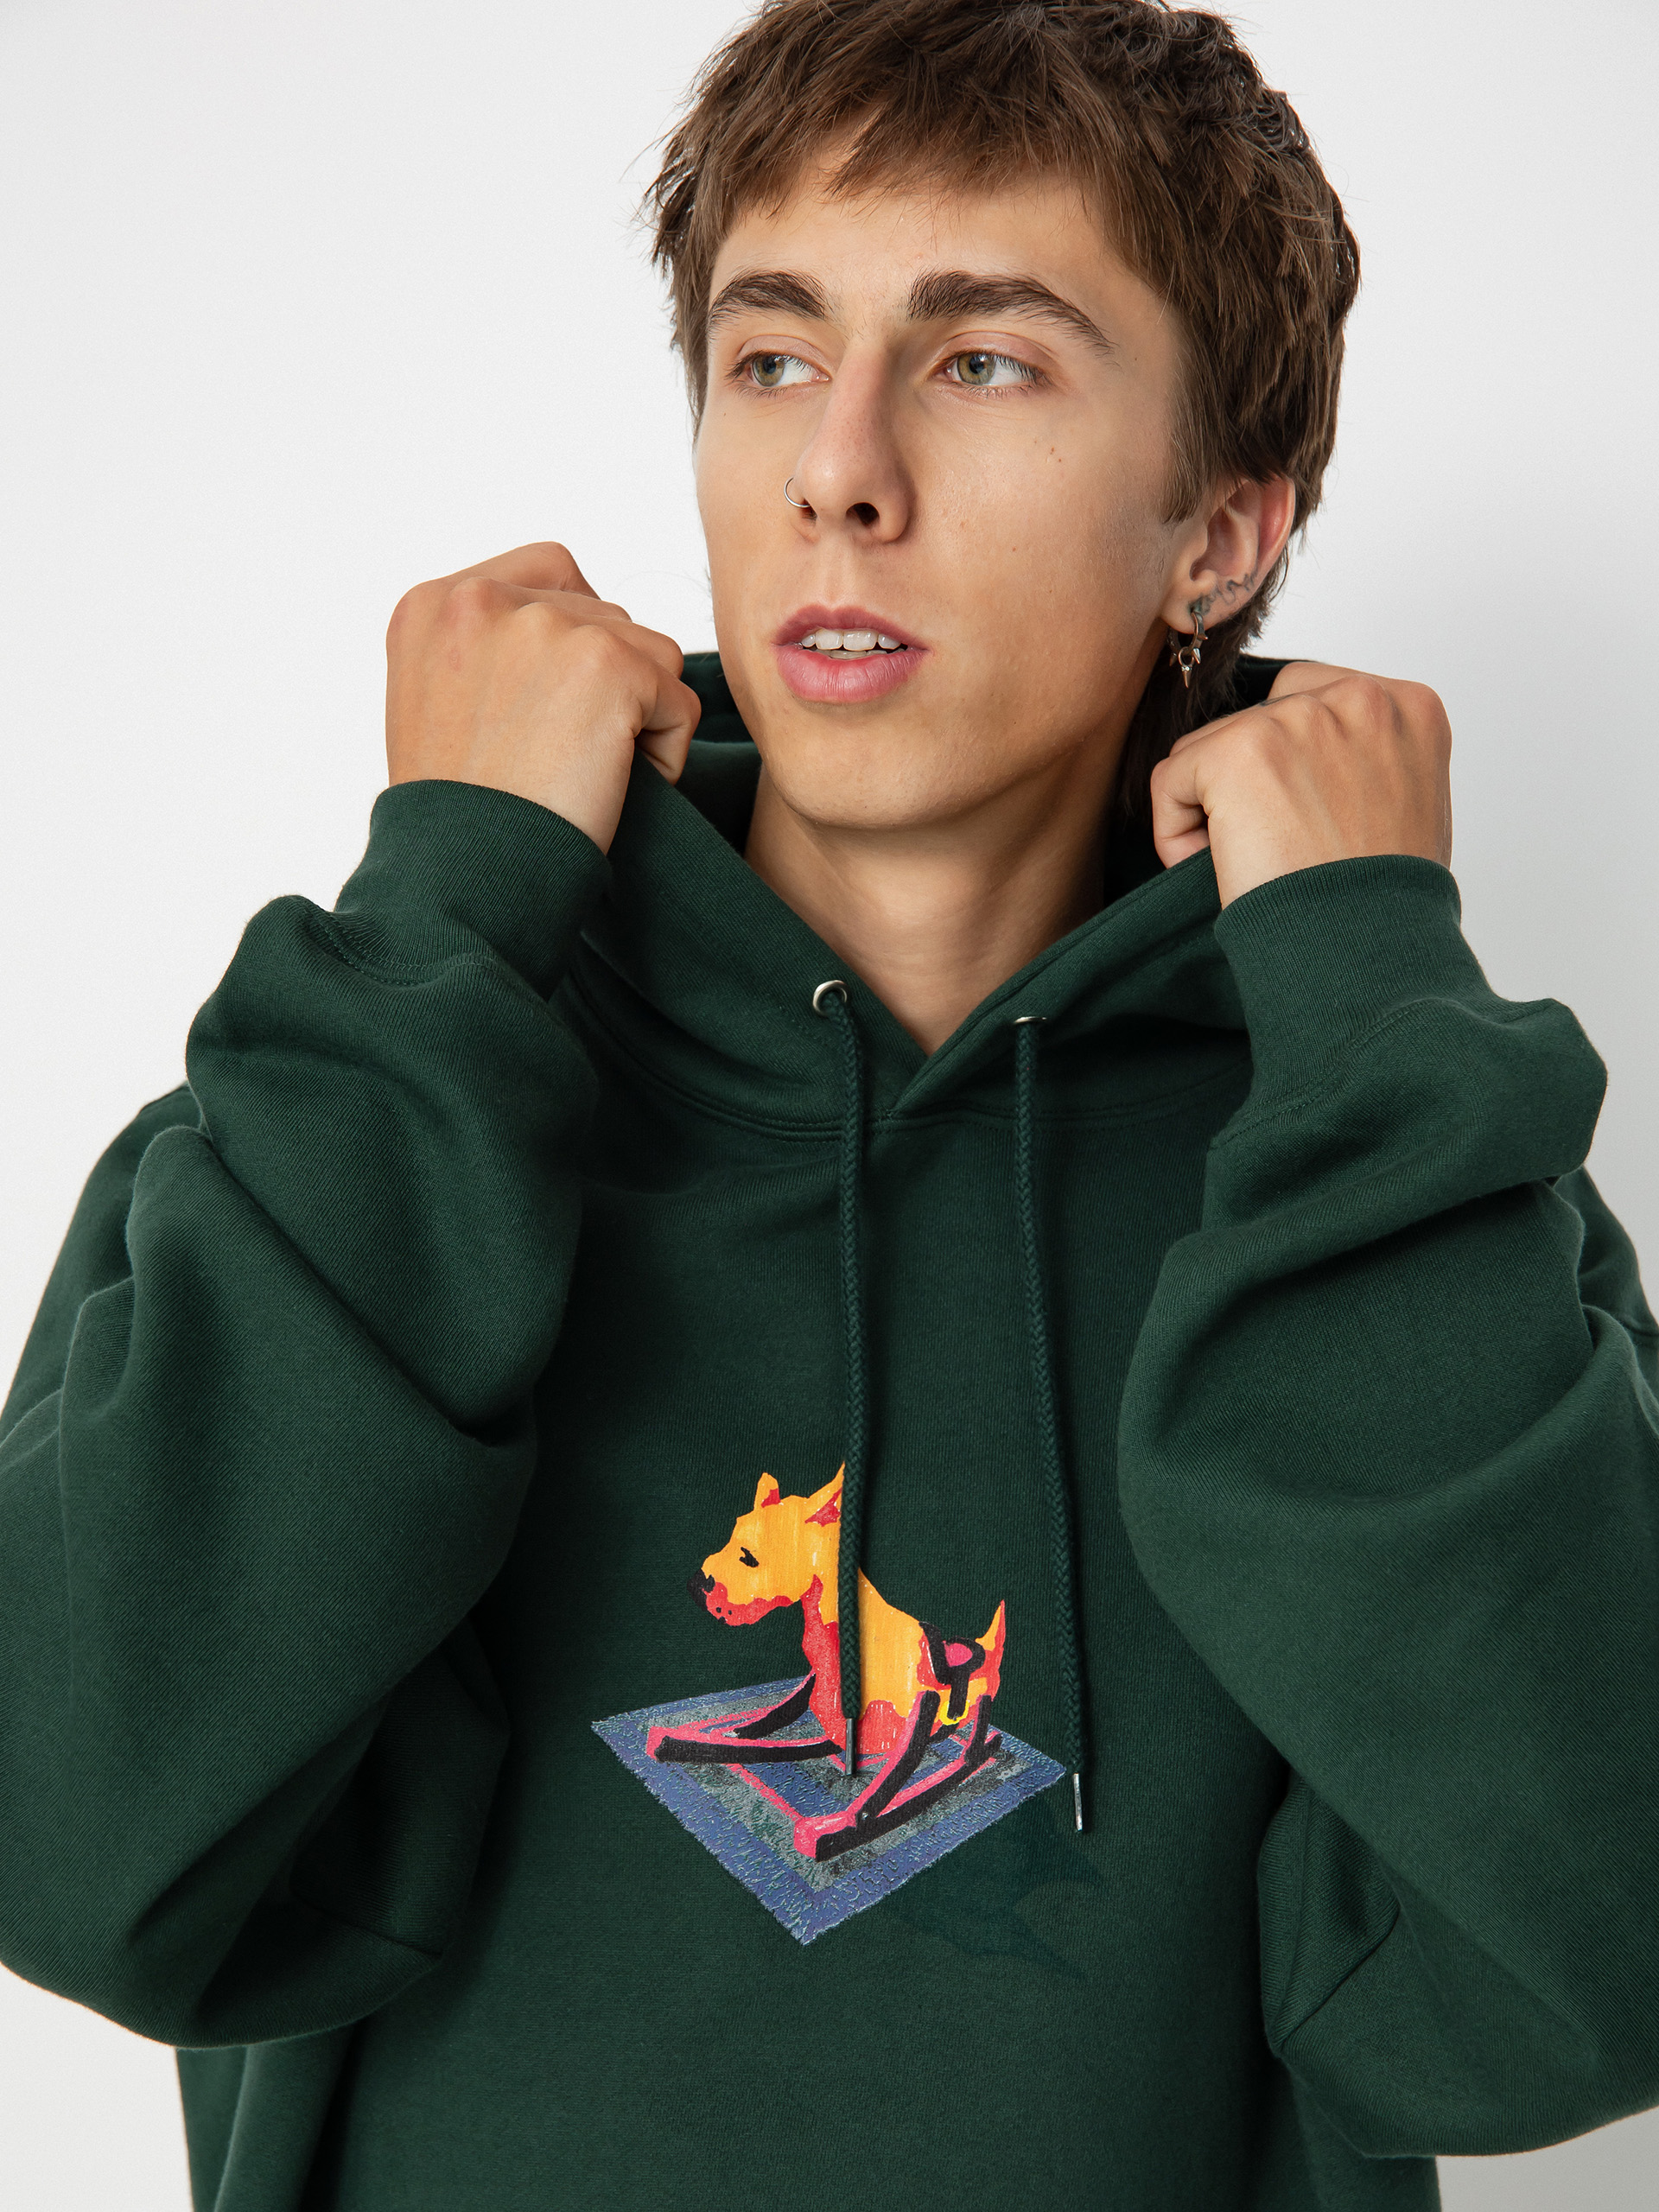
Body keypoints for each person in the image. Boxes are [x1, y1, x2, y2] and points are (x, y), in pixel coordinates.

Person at [3, 2, 1656, 2207]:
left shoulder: (1374, 1161)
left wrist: (1362, 987)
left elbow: (1590, 1968)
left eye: (984, 361)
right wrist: (451, 903)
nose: (839, 472)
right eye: (773, 355)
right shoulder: (399, 1068)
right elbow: (75, 1839)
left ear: (1222, 530)